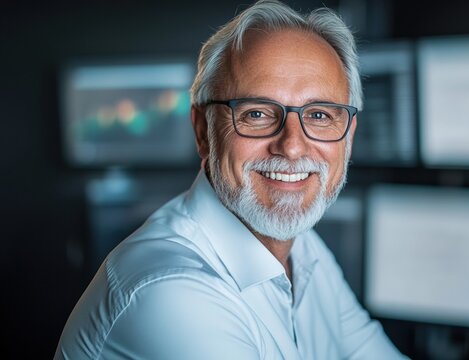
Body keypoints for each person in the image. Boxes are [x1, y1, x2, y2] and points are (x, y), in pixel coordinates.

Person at [55, 0, 407, 359]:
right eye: (256, 113)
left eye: (319, 115)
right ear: (203, 131)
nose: (293, 146)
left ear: (349, 136)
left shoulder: (304, 249)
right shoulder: (172, 293)